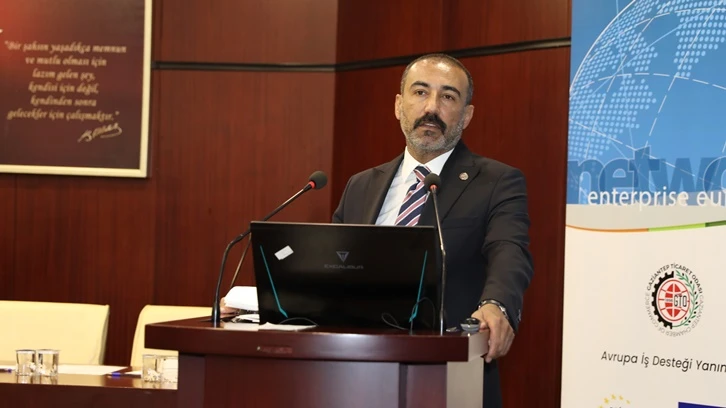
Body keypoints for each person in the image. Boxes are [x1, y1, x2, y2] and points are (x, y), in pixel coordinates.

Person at [330, 53, 534, 407]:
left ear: (466, 115)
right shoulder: (361, 185)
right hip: (356, 373)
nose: (432, 108)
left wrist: (496, 304)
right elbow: (332, 265)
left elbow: (509, 250)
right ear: (399, 106)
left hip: (449, 375)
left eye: (448, 96)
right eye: (420, 92)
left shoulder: (497, 182)